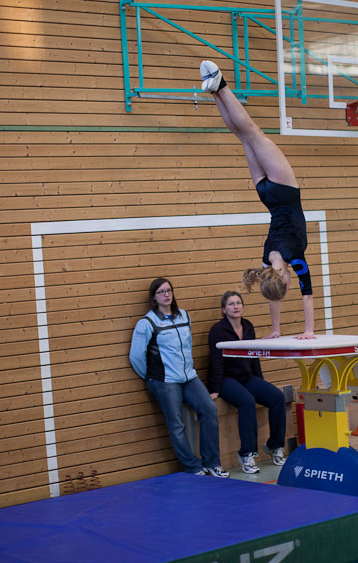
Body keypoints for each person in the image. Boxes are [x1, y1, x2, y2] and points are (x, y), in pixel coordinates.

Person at [201, 59, 315, 340]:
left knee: (252, 132)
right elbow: (272, 295)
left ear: (284, 278)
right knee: (242, 137)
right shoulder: (265, 262)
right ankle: (214, 93)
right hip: (266, 195)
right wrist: (274, 329)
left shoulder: (296, 259)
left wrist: (309, 330)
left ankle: (222, 86)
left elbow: (307, 296)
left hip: (285, 190)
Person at [129, 278, 229, 478]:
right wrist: (151, 377)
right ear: (154, 297)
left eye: (169, 290)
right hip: (165, 381)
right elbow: (136, 356)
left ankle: (212, 463)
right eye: (161, 292)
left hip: (189, 378)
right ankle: (192, 467)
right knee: (177, 424)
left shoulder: (184, 316)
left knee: (209, 410)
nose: (166, 294)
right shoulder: (147, 323)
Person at [207, 291, 287, 474]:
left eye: (238, 303)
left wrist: (260, 382)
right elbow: (216, 361)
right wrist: (215, 389)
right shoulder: (217, 330)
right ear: (223, 309)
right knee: (247, 401)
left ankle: (275, 446)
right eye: (231, 304)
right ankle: (247, 454)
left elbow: (254, 356)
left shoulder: (248, 326)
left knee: (276, 397)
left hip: (247, 377)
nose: (235, 306)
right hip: (227, 379)